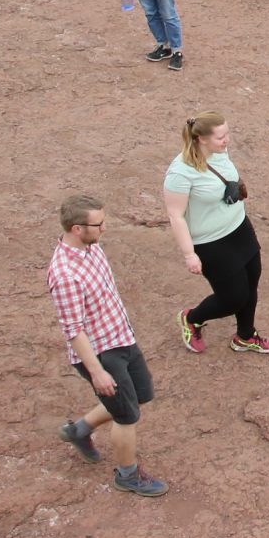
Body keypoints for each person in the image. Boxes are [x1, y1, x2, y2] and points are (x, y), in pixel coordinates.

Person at [47, 194, 168, 497]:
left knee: (139, 395)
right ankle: (127, 476)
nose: (104, 229)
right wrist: (98, 372)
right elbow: (73, 330)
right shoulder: (65, 276)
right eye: (98, 225)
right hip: (101, 353)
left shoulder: (92, 248)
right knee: (127, 416)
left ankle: (79, 431)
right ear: (77, 229)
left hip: (121, 337)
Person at [165, 113, 269, 356]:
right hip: (210, 243)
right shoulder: (180, 173)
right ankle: (192, 319)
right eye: (221, 136)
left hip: (239, 228)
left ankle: (246, 336)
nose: (227, 140)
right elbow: (176, 215)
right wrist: (189, 254)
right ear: (201, 139)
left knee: (252, 281)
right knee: (233, 297)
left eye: (227, 133)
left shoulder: (219, 152)